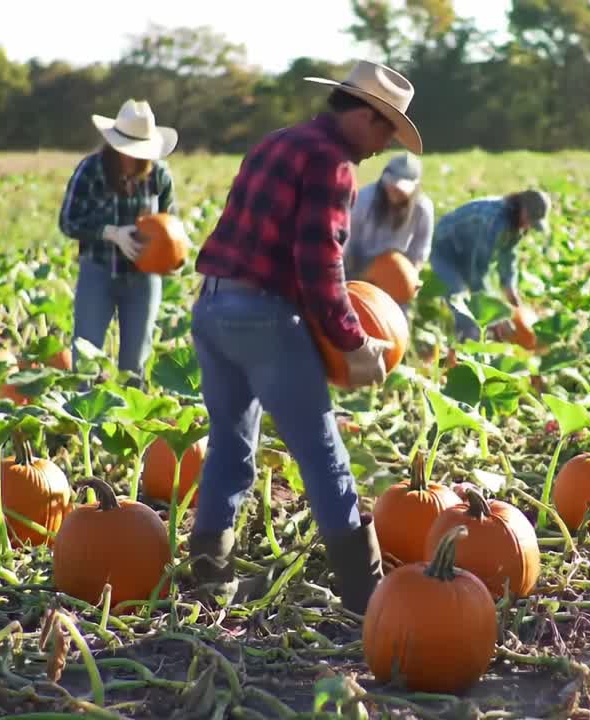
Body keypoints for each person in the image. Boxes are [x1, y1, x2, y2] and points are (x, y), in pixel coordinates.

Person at [185, 60, 421, 614]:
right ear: (364, 115)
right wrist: (352, 342)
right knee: (322, 452)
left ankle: (209, 573)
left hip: (213, 305)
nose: (384, 143)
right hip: (264, 316)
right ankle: (367, 595)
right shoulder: (332, 164)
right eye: (385, 128)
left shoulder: (276, 142)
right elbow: (319, 267)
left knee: (230, 444)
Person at [58, 99, 179, 380]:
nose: (133, 157)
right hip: (98, 270)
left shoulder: (159, 174)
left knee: (135, 363)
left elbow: (171, 223)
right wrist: (109, 232)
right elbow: (68, 221)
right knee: (86, 358)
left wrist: (173, 256)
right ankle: (84, 418)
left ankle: (128, 423)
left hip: (144, 276)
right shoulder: (91, 170)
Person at [428, 190, 551, 342]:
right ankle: (460, 352)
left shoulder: (517, 224)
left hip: (466, 252)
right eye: (529, 219)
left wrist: (510, 291)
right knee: (462, 305)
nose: (528, 225)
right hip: (444, 249)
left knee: (480, 306)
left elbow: (508, 257)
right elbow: (476, 270)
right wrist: (493, 315)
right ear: (522, 208)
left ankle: (478, 340)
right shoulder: (493, 220)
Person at [342, 153, 434, 281]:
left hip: (396, 273)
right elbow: (349, 239)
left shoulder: (423, 208)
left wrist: (410, 277)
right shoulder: (364, 199)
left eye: (401, 190)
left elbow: (421, 248)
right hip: (358, 268)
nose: (396, 192)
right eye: (393, 186)